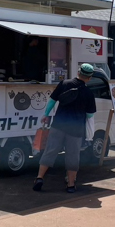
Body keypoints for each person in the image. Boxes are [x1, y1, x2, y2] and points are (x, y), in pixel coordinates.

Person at [33, 63, 96, 193]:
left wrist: (46, 115)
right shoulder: (89, 93)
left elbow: (52, 101)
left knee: (50, 151)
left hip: (58, 125)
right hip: (76, 129)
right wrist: (90, 133)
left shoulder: (64, 84)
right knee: (72, 156)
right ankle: (71, 185)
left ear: (78, 73)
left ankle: (39, 178)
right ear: (89, 78)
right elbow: (90, 115)